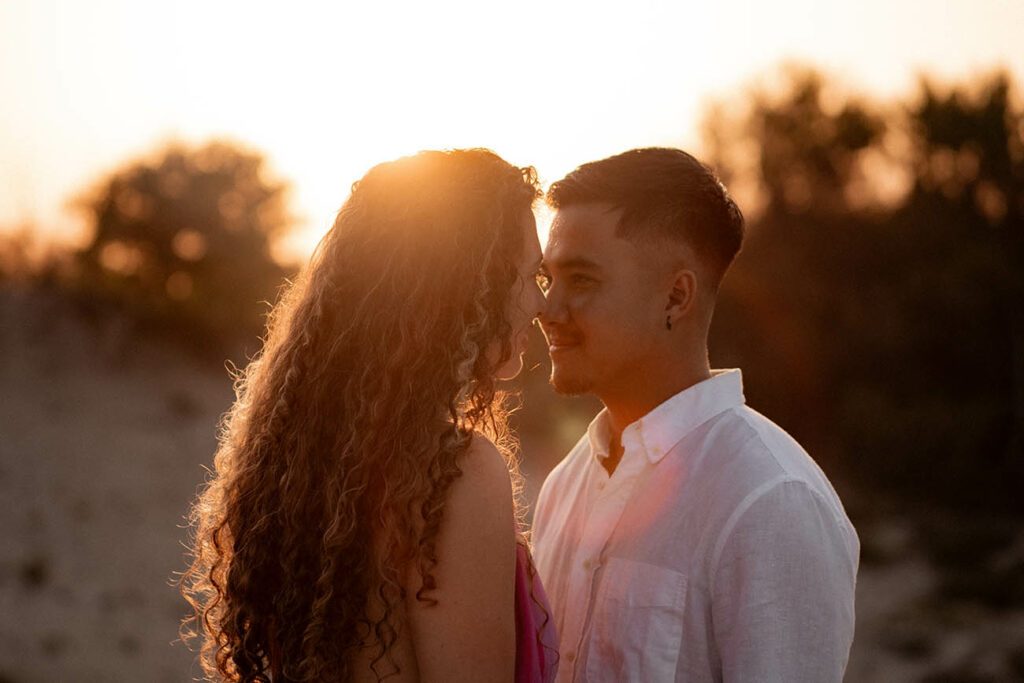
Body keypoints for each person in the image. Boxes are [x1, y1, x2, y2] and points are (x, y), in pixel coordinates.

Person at [181, 149, 557, 683]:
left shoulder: (304, 462)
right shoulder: (454, 475)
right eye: (527, 276)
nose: (540, 305)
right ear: (463, 289)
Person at [532, 147, 859, 682]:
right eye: (548, 279)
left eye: (582, 280)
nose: (547, 310)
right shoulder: (564, 486)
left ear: (676, 296)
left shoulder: (771, 500)